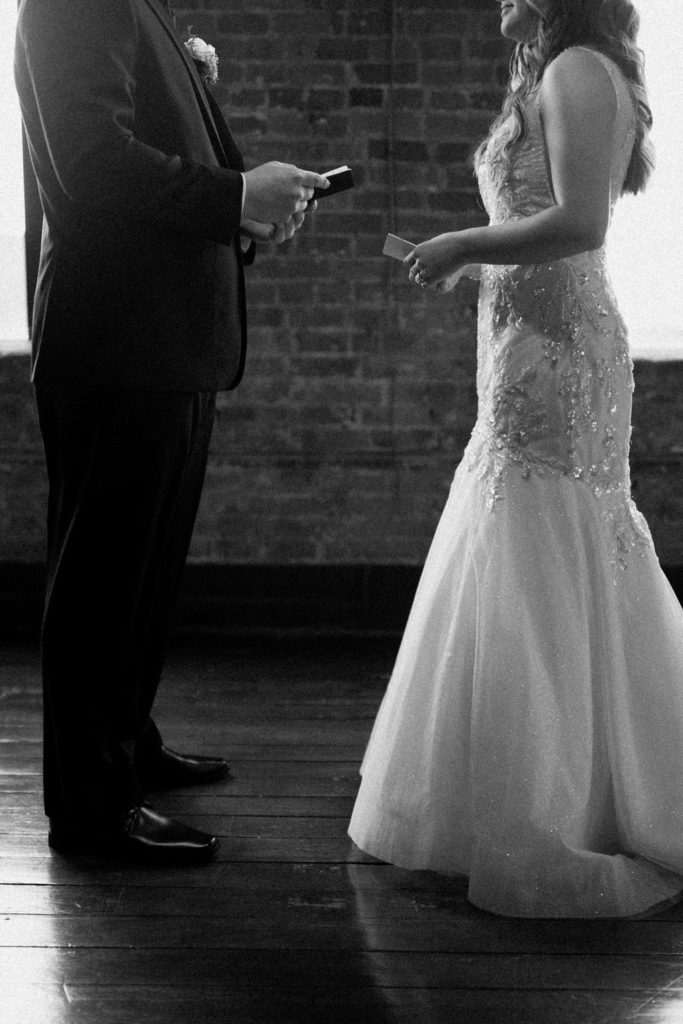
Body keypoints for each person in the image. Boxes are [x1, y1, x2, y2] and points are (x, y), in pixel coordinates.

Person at [349, 0, 683, 918]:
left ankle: (571, 798)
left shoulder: (578, 68)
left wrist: (464, 243)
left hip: (562, 344)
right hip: (521, 334)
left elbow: (580, 224)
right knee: (511, 529)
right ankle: (500, 788)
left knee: (550, 535)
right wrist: (474, 264)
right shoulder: (553, 67)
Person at [14, 0, 329, 863]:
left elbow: (149, 152)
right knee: (101, 586)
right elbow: (91, 166)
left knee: (144, 573)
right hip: (118, 340)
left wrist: (244, 209)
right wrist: (233, 191)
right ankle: (90, 807)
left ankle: (129, 747)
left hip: (168, 339)